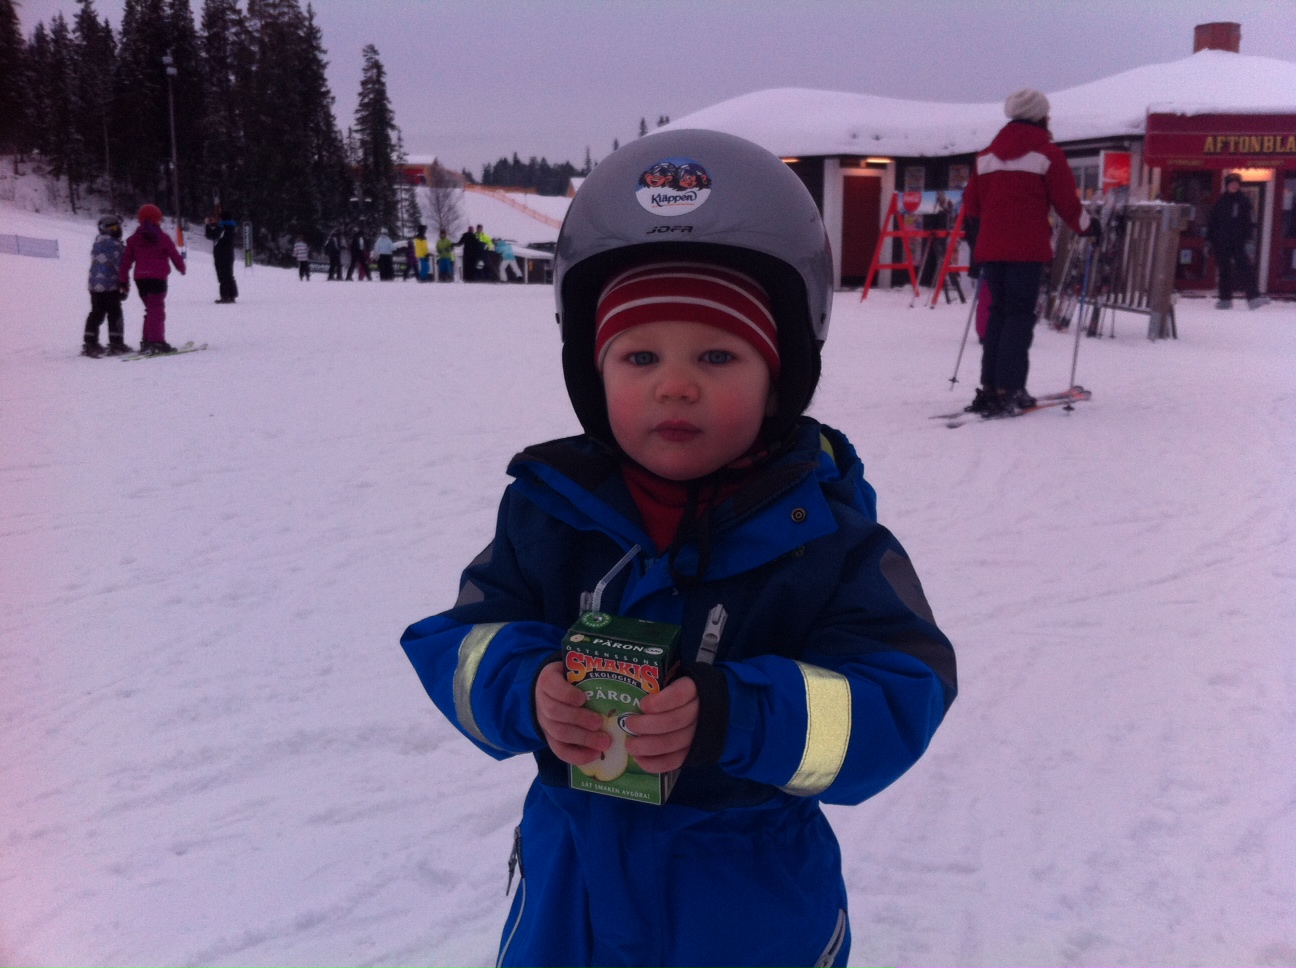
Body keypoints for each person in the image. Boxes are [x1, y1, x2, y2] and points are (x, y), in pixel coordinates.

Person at [400, 130, 957, 968]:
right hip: (573, 897)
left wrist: (737, 714)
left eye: (718, 355)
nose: (675, 384)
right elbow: (458, 644)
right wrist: (528, 685)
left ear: (780, 377)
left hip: (748, 906)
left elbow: (899, 696)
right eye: (640, 356)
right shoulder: (549, 512)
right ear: (593, 374)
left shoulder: (827, 537)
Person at [961, 88, 1092, 416]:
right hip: (1026, 250)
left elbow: (971, 205)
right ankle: (1010, 389)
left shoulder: (985, 156)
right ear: (1040, 116)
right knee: (1019, 317)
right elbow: (1067, 204)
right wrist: (1090, 227)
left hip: (992, 248)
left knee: (998, 315)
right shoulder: (1047, 154)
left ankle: (990, 387)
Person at [119, 203, 185, 355]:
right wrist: (181, 267)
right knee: (156, 310)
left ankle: (147, 341)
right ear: (158, 219)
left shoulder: (134, 239)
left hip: (141, 279)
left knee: (150, 309)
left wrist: (123, 281)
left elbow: (125, 262)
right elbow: (174, 254)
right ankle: (156, 342)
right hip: (157, 279)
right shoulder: (163, 238)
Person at [1207, 173, 1269, 310]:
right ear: (1227, 185)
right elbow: (1213, 222)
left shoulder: (1244, 201)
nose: (1234, 186)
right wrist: (1209, 240)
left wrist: (1248, 240)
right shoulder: (1221, 201)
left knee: (1245, 269)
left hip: (1238, 242)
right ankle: (1225, 299)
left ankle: (1253, 298)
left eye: (1236, 183)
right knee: (1224, 271)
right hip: (1221, 242)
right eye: (1232, 183)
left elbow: (1249, 223)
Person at [83, 214, 132, 356]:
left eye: (118, 227)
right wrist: (125, 285)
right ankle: (116, 343)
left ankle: (90, 342)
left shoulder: (98, 243)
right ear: (106, 229)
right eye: (114, 228)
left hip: (95, 286)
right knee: (115, 313)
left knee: (96, 313)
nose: (118, 230)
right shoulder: (115, 246)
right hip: (110, 285)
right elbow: (121, 267)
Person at [204, 214, 239, 303]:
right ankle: (232, 295)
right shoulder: (231, 227)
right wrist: (214, 224)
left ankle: (225, 296)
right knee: (229, 274)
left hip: (221, 254)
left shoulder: (222, 227)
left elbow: (211, 235)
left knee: (222, 275)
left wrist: (207, 225)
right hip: (229, 253)